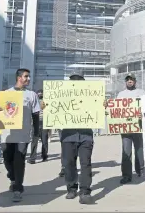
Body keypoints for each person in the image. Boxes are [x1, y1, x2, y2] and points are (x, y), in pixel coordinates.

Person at [0, 68, 40, 202]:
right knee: (7, 158)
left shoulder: (32, 95)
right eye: (26, 76)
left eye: (29, 77)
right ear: (19, 78)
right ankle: (12, 178)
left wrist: (36, 132)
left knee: (19, 160)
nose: (28, 79)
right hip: (6, 134)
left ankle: (18, 188)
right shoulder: (5, 94)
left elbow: (35, 115)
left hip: (23, 134)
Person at [60, 70, 94, 205]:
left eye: (78, 79)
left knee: (86, 163)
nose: (76, 82)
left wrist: (102, 105)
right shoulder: (62, 96)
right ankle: (71, 188)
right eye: (73, 79)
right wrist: (47, 105)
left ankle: (85, 191)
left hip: (86, 135)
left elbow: (98, 111)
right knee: (68, 163)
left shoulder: (91, 95)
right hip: (68, 136)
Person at [106, 72, 145, 184]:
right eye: (128, 79)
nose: (129, 81)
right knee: (126, 151)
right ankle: (126, 175)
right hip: (125, 128)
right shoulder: (121, 94)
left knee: (139, 150)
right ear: (125, 81)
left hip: (138, 126)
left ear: (135, 81)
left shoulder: (142, 93)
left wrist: (142, 114)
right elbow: (116, 110)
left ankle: (141, 170)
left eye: (131, 79)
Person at [28, 89, 49, 164]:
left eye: (41, 94)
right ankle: (32, 158)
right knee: (34, 141)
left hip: (44, 122)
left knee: (44, 141)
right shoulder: (34, 102)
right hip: (35, 122)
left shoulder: (46, 102)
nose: (40, 95)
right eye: (39, 94)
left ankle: (44, 156)